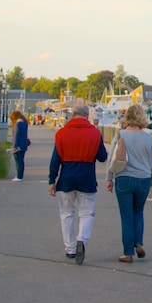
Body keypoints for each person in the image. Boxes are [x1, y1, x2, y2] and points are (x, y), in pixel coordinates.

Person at [48, 103, 107, 265]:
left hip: (66, 177)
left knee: (67, 213)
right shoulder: (95, 133)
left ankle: (70, 248)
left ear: (72, 115)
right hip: (87, 176)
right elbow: (102, 157)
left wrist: (51, 181)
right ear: (87, 116)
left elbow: (55, 160)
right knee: (87, 213)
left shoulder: (61, 134)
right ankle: (82, 239)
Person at [105, 104, 152, 263]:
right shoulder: (148, 137)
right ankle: (138, 242)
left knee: (126, 216)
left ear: (127, 117)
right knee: (138, 212)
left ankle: (128, 253)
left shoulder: (121, 135)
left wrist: (109, 179)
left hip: (124, 178)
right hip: (144, 179)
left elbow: (112, 159)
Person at [9, 110, 30, 181]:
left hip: (18, 145)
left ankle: (19, 176)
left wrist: (14, 146)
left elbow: (16, 136)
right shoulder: (24, 123)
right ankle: (20, 175)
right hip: (24, 145)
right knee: (21, 161)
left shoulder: (17, 124)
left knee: (18, 161)